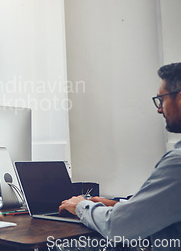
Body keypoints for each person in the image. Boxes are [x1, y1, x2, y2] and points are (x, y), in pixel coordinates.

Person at [59, 62, 181, 250]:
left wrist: (81, 206)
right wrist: (119, 204)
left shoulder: (177, 163)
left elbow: (118, 228)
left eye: (161, 99)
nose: (159, 108)